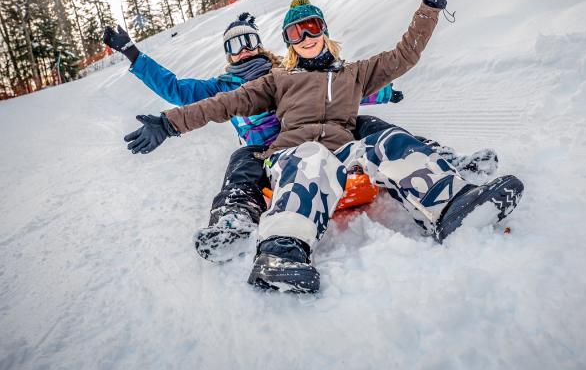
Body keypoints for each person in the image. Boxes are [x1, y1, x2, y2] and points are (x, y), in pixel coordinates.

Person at [123, 0, 523, 293]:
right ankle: (280, 250)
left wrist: (429, 8)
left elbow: (404, 55)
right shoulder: (277, 80)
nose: (306, 37)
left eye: (312, 27)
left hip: (346, 155)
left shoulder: (354, 73)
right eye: (296, 33)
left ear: (324, 31)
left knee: (386, 137)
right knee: (307, 156)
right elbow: (223, 103)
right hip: (293, 156)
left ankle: (454, 205)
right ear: (289, 43)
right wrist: (169, 123)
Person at [104, 14, 406, 263]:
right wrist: (133, 53)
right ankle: (233, 220)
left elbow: (334, 89)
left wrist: (385, 92)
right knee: (243, 159)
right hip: (271, 155)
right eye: (234, 45)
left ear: (259, 45)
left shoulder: (286, 72)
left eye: (248, 40)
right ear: (228, 54)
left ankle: (419, 163)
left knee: (364, 124)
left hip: (319, 140)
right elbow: (177, 90)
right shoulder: (221, 87)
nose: (243, 49)